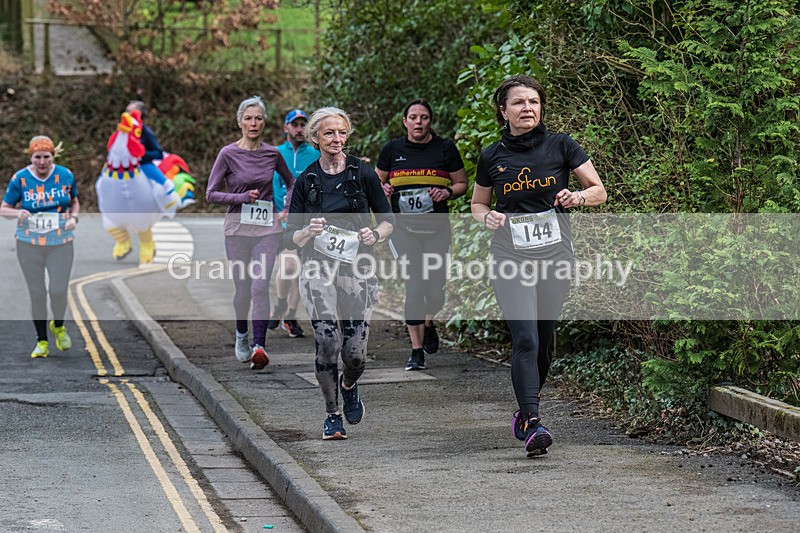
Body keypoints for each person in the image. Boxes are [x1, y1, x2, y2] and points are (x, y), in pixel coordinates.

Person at [470, 75, 607, 456]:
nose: (527, 108)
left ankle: (524, 411)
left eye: (533, 101)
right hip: (510, 257)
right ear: (503, 111)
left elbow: (599, 190)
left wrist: (576, 197)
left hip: (554, 257)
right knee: (526, 338)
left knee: (544, 345)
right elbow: (478, 204)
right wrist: (487, 218)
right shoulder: (492, 155)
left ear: (541, 107)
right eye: (518, 103)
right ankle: (532, 421)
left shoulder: (561, 145)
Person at [284, 107, 394, 440]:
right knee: (327, 341)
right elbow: (290, 236)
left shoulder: (363, 173)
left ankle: (349, 385)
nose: (336, 139)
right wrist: (309, 231)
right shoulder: (307, 179)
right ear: (314, 138)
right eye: (329, 133)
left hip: (357, 266)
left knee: (355, 355)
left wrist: (374, 234)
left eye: (342, 132)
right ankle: (332, 415)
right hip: (317, 266)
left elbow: (389, 221)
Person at [376, 99, 468, 371]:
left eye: (424, 117)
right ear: (405, 122)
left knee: (436, 290)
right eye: (413, 117)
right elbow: (376, 181)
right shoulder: (392, 149)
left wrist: (448, 192)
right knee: (414, 285)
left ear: (430, 121)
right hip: (402, 230)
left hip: (437, 228)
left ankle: (429, 321)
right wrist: (383, 189)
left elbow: (462, 183)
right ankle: (416, 351)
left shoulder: (445, 148)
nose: (418, 122)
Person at [206, 95, 295, 370]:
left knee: (260, 286)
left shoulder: (272, 154)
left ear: (264, 122)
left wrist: (286, 209)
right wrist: (241, 198)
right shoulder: (228, 154)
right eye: (248, 118)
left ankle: (260, 346)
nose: (253, 123)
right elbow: (211, 194)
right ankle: (241, 335)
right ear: (239, 122)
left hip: (267, 229)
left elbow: (292, 184)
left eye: (258, 118)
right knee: (243, 289)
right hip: (237, 230)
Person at [1, 136, 80, 359]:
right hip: (28, 244)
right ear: (31, 157)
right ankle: (42, 341)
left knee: (57, 290)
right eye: (37, 157)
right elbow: (4, 208)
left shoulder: (65, 175)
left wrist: (74, 218)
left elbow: (74, 200)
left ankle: (59, 325)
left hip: (61, 242)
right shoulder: (20, 179)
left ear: (53, 156)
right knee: (37, 293)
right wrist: (18, 213)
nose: (42, 162)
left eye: (46, 157)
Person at [268, 108, 320, 338]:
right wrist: (274, 210)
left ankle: (290, 315)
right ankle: (280, 303)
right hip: (281, 220)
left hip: (308, 222)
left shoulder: (317, 155)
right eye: (295, 124)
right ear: (286, 128)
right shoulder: (275, 154)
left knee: (301, 270)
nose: (299, 129)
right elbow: (266, 187)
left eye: (303, 125)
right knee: (288, 266)